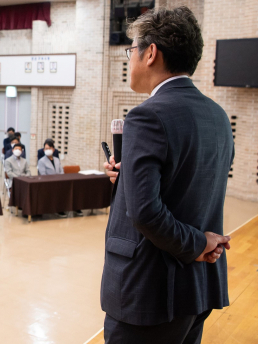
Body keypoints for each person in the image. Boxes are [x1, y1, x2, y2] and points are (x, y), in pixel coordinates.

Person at [101, 7, 234, 343]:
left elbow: (145, 213)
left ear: (150, 53)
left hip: (150, 293)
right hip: (196, 287)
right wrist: (127, 179)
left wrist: (198, 242)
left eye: (132, 50)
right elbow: (187, 185)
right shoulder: (218, 116)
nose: (129, 59)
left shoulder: (147, 116)